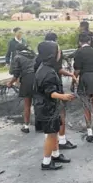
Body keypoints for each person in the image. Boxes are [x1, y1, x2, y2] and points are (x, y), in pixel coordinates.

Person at [33, 40, 74, 170]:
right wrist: (64, 97)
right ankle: (46, 162)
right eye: (58, 50)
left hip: (49, 106)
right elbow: (50, 92)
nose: (60, 52)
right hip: (47, 107)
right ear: (52, 54)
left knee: (55, 131)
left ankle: (55, 154)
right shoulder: (47, 72)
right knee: (51, 135)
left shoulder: (46, 68)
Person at [8, 43, 36, 133]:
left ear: (17, 50)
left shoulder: (18, 57)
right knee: (39, 103)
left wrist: (10, 83)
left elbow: (16, 74)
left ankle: (26, 126)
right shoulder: (34, 55)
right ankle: (40, 124)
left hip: (27, 80)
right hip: (38, 79)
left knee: (27, 104)